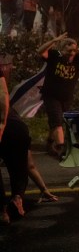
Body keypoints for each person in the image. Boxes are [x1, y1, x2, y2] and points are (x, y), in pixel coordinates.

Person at [1, 62, 57, 224]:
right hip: (19, 130)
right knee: (18, 169)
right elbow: (30, 165)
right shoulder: (7, 107)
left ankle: (4, 210)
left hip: (10, 130)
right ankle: (17, 198)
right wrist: (44, 190)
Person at [37, 34, 79, 157]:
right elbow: (40, 51)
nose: (72, 53)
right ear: (62, 49)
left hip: (66, 97)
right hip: (51, 95)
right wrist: (54, 41)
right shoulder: (55, 56)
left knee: (57, 121)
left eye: (74, 50)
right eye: (69, 50)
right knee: (57, 120)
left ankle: (50, 143)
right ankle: (61, 149)